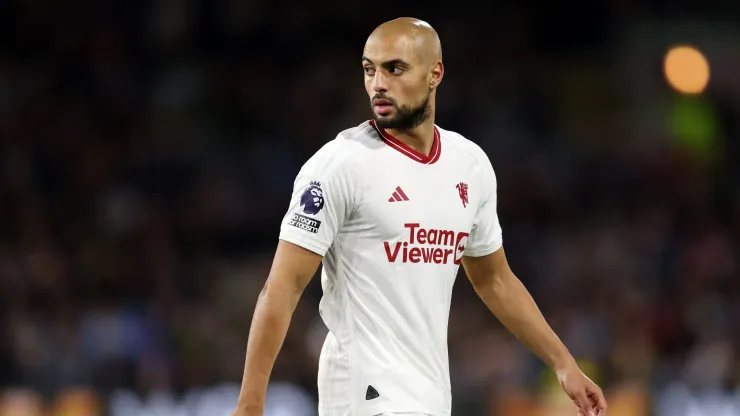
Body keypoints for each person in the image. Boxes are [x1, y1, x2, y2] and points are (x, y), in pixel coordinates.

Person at [231, 17, 608, 416]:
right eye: (368, 69)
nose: (378, 83)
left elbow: (495, 280)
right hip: (364, 395)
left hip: (430, 395)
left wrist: (563, 363)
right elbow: (281, 289)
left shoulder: (469, 165)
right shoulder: (338, 167)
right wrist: (251, 403)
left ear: (435, 74)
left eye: (394, 68)